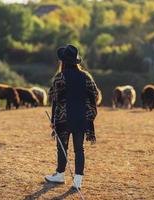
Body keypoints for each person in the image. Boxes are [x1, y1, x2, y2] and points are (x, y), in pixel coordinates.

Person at [45, 44, 99, 189]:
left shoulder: (60, 77)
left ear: (63, 61)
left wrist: (53, 120)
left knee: (62, 147)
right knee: (79, 149)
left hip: (64, 118)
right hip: (81, 118)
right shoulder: (86, 76)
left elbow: (55, 100)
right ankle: (78, 180)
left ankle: (60, 175)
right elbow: (95, 95)